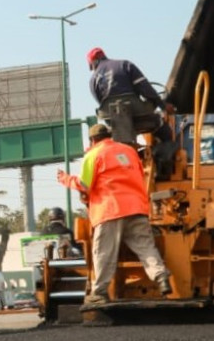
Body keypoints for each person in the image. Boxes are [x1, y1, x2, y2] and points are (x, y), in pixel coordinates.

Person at [57, 122, 171, 307]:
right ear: (109, 136)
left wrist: (65, 179)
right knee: (145, 248)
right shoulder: (129, 151)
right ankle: (161, 276)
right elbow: (140, 175)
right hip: (137, 208)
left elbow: (85, 185)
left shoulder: (93, 155)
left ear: (93, 140)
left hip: (109, 210)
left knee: (103, 252)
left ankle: (100, 292)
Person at [87, 47, 174, 147]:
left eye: (91, 66)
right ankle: (166, 157)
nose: (92, 69)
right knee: (161, 124)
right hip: (140, 118)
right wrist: (163, 105)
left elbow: (101, 103)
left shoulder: (93, 80)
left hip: (115, 124)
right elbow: (145, 88)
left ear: (93, 62)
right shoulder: (124, 65)